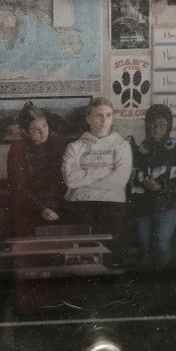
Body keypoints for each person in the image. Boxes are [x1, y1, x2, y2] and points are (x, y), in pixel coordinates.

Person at [61, 97, 132, 256]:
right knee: (83, 253)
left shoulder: (122, 146)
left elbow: (120, 179)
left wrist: (84, 177)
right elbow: (70, 179)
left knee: (110, 254)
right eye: (99, 115)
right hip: (81, 205)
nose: (104, 120)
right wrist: (105, 170)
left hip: (112, 206)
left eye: (108, 115)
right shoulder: (74, 147)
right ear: (88, 118)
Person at [128, 103, 176, 268]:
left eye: (162, 125)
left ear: (169, 126)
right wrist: (145, 183)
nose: (156, 129)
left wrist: (161, 187)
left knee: (162, 245)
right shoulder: (135, 151)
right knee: (144, 245)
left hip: (168, 207)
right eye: (152, 124)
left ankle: (160, 278)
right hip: (142, 208)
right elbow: (130, 181)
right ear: (146, 125)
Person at [7, 105, 66, 237]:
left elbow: (62, 182)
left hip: (57, 205)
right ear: (25, 131)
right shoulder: (17, 149)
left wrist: (53, 207)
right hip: (29, 206)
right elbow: (19, 186)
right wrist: (42, 208)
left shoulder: (58, 144)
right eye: (36, 129)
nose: (43, 132)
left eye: (44, 126)